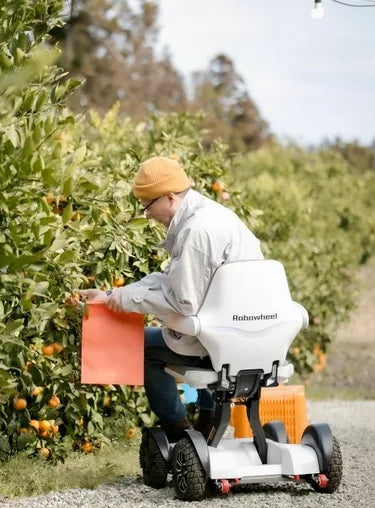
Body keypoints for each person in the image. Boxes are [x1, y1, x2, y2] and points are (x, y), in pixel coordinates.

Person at [71, 156, 263, 442]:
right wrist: (112, 295)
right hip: (244, 330)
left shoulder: (197, 233)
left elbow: (183, 303)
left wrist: (123, 302)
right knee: (175, 333)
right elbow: (172, 279)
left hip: (224, 340)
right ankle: (208, 423)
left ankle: (180, 431)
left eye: (148, 206)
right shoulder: (214, 216)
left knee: (142, 347)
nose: (147, 215)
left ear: (170, 198)